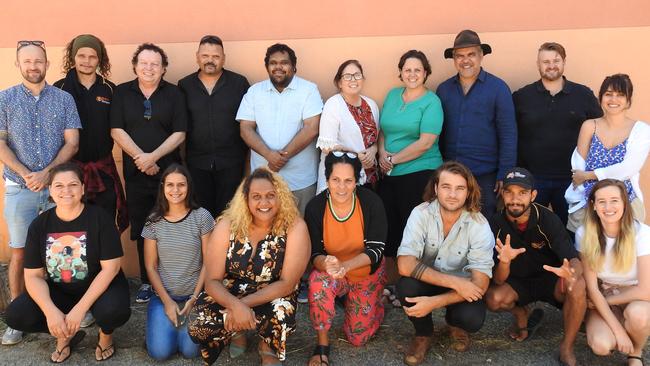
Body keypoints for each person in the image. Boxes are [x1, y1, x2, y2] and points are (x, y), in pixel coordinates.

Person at [4, 163, 131, 362]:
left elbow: (111, 268)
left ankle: (106, 335)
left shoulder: (100, 218)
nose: (66, 191)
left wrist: (79, 311)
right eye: (59, 186)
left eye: (72, 185)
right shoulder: (39, 225)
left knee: (114, 311)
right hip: (60, 291)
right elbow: (33, 276)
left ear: (82, 188)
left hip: (100, 286)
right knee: (16, 315)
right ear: (50, 190)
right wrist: (51, 312)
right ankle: (63, 334)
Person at [0, 40, 81, 345]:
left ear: (47, 64)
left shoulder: (63, 99)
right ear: (18, 65)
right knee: (20, 251)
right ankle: (17, 318)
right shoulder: (4, 99)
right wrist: (26, 174)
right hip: (19, 189)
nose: (33, 66)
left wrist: (47, 174)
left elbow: (72, 142)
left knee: (62, 249)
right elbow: (1, 143)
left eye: (38, 61)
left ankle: (65, 310)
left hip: (57, 190)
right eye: (27, 62)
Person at [188, 168, 310, 365]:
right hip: (232, 290)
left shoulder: (295, 227)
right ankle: (237, 330)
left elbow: (288, 283)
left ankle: (268, 346)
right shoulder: (227, 225)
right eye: (256, 197)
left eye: (271, 196)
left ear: (280, 197)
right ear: (245, 199)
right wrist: (234, 305)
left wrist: (241, 307)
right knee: (199, 325)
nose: (264, 203)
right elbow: (212, 281)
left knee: (281, 310)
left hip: (273, 292)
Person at [485, 167, 586, 366]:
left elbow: (573, 258)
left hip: (550, 279)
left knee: (579, 286)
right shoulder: (493, 224)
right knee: (493, 298)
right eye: (510, 192)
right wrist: (504, 262)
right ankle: (522, 313)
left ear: (533, 195)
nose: (515, 199)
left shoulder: (548, 219)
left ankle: (567, 346)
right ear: (503, 194)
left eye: (522, 193)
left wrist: (572, 274)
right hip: (517, 282)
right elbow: (497, 280)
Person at [110, 43, 187, 303]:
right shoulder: (121, 92)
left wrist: (153, 158)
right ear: (135, 65)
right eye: (144, 63)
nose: (149, 68)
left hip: (170, 176)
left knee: (171, 226)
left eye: (155, 64)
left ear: (164, 68)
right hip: (135, 174)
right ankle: (146, 281)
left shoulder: (174, 94)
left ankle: (171, 280)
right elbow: (116, 130)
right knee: (143, 229)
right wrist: (140, 159)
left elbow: (180, 132)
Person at [396, 161, 494, 366]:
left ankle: (454, 324)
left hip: (464, 288)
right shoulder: (420, 213)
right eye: (446, 187)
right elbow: (404, 264)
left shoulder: (479, 225)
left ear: (468, 192)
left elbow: (481, 284)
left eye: (460, 188)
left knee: (472, 319)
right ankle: (423, 334)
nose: (452, 194)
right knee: (406, 287)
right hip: (436, 281)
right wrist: (456, 282)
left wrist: (433, 303)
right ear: (435, 188)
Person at [305, 151, 388, 366]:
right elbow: (313, 253)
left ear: (357, 180)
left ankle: (377, 302)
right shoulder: (315, 207)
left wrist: (346, 265)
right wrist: (326, 263)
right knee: (317, 283)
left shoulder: (371, 202)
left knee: (357, 337)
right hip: (334, 272)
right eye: (336, 180)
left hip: (364, 273)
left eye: (348, 181)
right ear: (327, 179)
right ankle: (322, 345)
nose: (341, 187)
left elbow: (376, 250)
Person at [513, 42, 602, 227]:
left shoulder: (583, 95)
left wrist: (591, 173)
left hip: (572, 180)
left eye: (556, 60)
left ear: (564, 62)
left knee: (571, 234)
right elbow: (510, 135)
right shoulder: (522, 97)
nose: (551, 65)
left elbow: (600, 131)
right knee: (531, 231)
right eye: (545, 61)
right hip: (533, 179)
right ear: (538, 65)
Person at [377, 50, 443, 287]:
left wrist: (393, 160)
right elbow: (383, 130)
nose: (412, 74)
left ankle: (416, 285)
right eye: (407, 70)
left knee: (414, 232)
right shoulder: (393, 95)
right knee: (391, 230)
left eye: (417, 70)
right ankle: (394, 284)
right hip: (390, 174)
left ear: (425, 73)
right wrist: (382, 153)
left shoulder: (431, 102)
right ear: (401, 72)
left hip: (419, 173)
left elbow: (425, 143)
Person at [436, 29, 517, 218]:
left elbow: (508, 134)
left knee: (484, 223)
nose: (466, 60)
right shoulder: (444, 89)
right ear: (454, 59)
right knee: (450, 222)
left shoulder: (498, 89)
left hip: (486, 175)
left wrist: (504, 173)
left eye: (471, 54)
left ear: (481, 56)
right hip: (451, 173)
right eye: (460, 56)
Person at [237, 43, 323, 215]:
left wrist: (280, 158)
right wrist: (269, 155)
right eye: (273, 63)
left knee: (300, 230)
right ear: (267, 67)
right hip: (263, 181)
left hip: (301, 180)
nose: (278, 67)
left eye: (284, 62)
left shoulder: (308, 90)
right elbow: (245, 128)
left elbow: (312, 128)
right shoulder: (254, 92)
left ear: (294, 67)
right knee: (266, 233)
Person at [54, 34, 128, 233]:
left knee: (104, 226)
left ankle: (109, 265)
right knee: (73, 229)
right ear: (73, 57)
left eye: (92, 56)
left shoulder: (110, 90)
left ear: (100, 59)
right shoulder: (59, 89)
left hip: (102, 171)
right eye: (81, 55)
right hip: (69, 171)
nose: (87, 61)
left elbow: (117, 129)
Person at [142, 163, 214, 360]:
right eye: (170, 185)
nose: (175, 190)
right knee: (160, 353)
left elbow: (209, 262)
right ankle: (162, 328)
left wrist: (194, 299)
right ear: (163, 187)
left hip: (195, 296)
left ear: (189, 187)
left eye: (181, 185)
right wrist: (167, 302)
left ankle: (176, 330)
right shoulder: (153, 221)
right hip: (165, 297)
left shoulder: (202, 216)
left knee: (191, 352)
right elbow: (151, 266)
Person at [576, 179, 650, 366]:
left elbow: (646, 290)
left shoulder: (642, 233)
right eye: (601, 201)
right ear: (593, 205)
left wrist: (609, 298)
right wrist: (618, 331)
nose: (608, 207)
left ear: (624, 202)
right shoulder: (585, 233)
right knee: (601, 345)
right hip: (602, 293)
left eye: (614, 200)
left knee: (638, 316)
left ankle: (635, 353)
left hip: (633, 295)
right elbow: (592, 288)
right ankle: (619, 330)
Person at [566, 74, 650, 233]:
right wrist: (584, 179)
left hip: (626, 200)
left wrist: (588, 175)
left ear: (628, 100)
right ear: (601, 98)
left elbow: (628, 169)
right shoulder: (590, 126)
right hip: (588, 200)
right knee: (583, 252)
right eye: (608, 94)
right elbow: (578, 166)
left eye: (620, 95)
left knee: (625, 253)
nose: (613, 99)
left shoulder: (642, 130)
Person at [178, 35, 250, 218]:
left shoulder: (239, 83)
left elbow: (249, 124)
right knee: (202, 216)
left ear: (223, 58)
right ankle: (207, 248)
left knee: (230, 216)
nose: (210, 60)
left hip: (232, 163)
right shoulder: (184, 85)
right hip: (196, 164)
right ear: (197, 56)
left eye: (216, 56)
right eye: (205, 55)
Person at [316, 60, 380, 193]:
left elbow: (375, 140)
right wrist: (356, 155)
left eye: (357, 75)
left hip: (368, 177)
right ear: (339, 83)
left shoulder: (371, 105)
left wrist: (373, 151)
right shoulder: (333, 104)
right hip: (341, 179)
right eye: (347, 76)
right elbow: (326, 145)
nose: (353, 79)